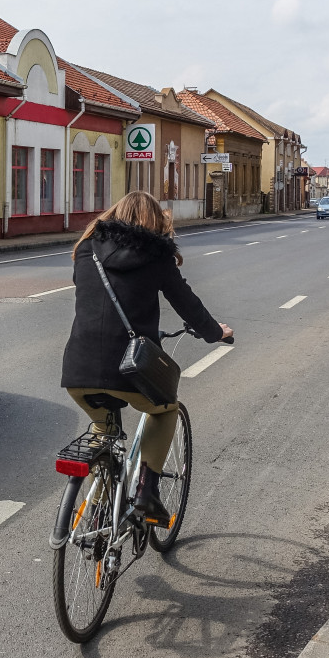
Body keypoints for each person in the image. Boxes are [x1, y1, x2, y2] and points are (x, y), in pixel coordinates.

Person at [61, 191, 232, 523]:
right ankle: (146, 493)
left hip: (78, 371)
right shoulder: (156, 256)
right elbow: (187, 303)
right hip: (128, 371)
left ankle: (98, 511)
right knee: (165, 410)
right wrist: (215, 332)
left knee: (103, 429)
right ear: (155, 222)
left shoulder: (86, 249)